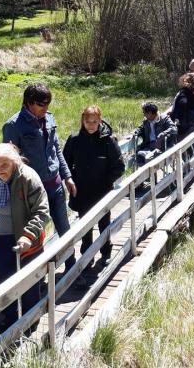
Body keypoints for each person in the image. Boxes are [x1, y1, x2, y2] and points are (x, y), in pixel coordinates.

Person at [0, 143, 49, 326]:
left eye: (3, 165)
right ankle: (10, 318)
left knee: (29, 282)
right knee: (5, 280)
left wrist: (28, 235)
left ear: (14, 162)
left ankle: (31, 320)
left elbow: (42, 212)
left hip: (27, 241)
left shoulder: (28, 178)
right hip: (3, 240)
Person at [2, 83, 77, 269]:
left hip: (55, 185)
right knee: (35, 235)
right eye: (42, 105)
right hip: (32, 192)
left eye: (48, 104)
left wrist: (67, 176)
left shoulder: (49, 119)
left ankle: (72, 267)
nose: (46, 109)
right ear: (29, 102)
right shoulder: (14, 126)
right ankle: (37, 282)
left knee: (64, 228)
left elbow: (56, 150)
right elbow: (9, 162)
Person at [62, 106, 125, 273]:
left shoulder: (108, 140)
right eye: (88, 121)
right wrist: (69, 180)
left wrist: (106, 182)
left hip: (102, 191)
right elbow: (65, 164)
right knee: (85, 226)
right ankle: (87, 255)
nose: (91, 125)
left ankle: (106, 253)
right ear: (82, 120)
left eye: (95, 122)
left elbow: (119, 166)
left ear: (100, 121)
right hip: (81, 190)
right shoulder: (74, 139)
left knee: (104, 223)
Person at [132, 101, 178, 165]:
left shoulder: (164, 119)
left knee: (147, 159)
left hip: (162, 147)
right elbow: (140, 128)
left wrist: (162, 135)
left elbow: (174, 128)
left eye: (144, 113)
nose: (144, 115)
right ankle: (147, 174)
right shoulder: (146, 121)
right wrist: (136, 132)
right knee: (139, 156)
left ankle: (149, 173)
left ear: (150, 113)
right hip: (149, 146)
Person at [168, 72, 194, 139]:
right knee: (187, 142)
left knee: (178, 142)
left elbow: (183, 103)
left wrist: (175, 114)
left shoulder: (185, 91)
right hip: (192, 121)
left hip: (182, 122)